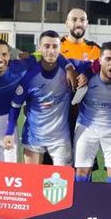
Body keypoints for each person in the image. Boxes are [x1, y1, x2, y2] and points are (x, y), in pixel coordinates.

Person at [71, 42, 111, 182]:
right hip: (86, 127)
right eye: (108, 59)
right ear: (99, 60)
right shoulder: (86, 80)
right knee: (81, 171)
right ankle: (82, 202)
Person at [17, 31, 77, 166]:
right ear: (39, 48)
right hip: (34, 136)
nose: (51, 51)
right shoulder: (29, 69)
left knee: (61, 184)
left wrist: (70, 67)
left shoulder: (70, 67)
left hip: (60, 138)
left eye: (55, 46)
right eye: (46, 46)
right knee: (31, 180)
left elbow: (93, 66)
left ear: (60, 49)